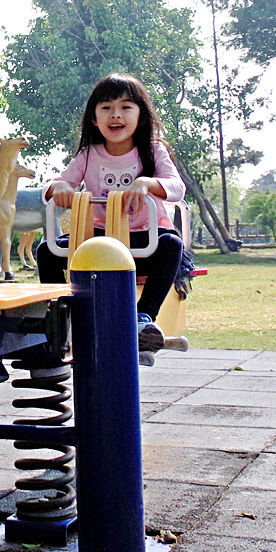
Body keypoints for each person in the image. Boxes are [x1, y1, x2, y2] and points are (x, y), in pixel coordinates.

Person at [34, 73, 188, 366]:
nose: (115, 114)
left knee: (172, 245)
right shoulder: (89, 154)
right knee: (47, 252)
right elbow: (53, 187)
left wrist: (146, 183)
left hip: (144, 242)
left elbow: (176, 186)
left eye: (126, 106)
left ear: (141, 116)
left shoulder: (153, 151)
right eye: (105, 107)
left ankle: (143, 319)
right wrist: (61, 187)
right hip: (99, 241)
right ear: (94, 119)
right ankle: (60, 315)